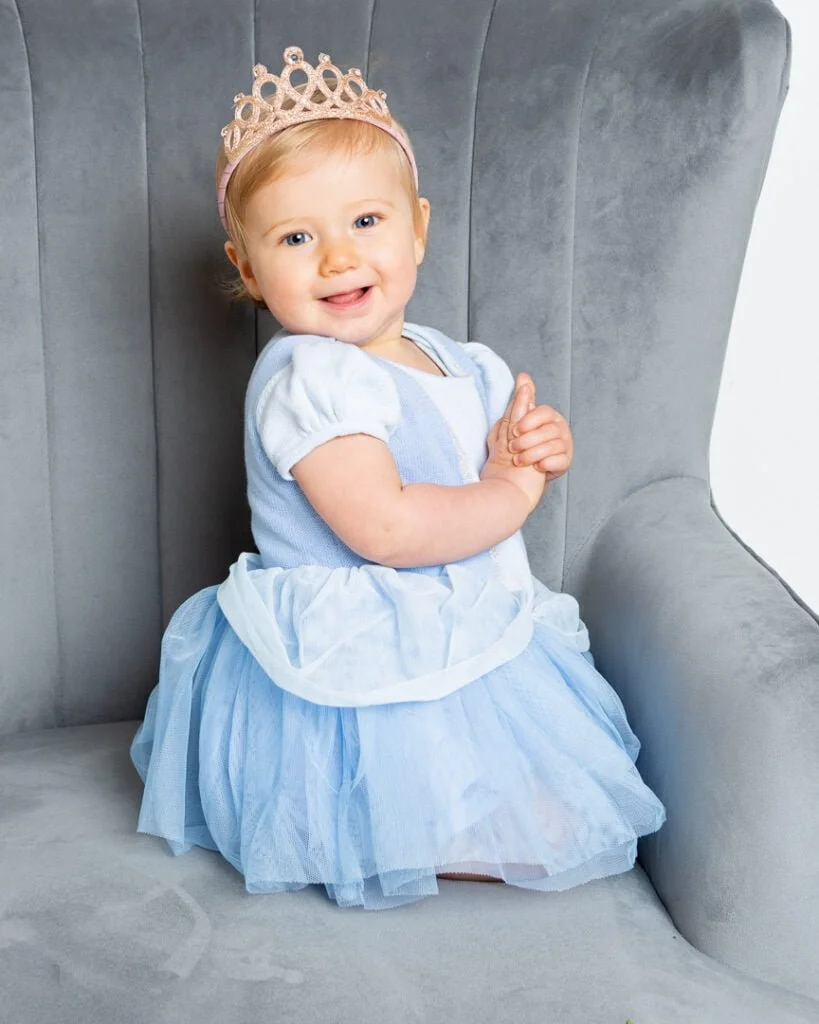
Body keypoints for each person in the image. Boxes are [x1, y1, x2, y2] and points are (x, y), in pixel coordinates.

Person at [130, 46, 667, 910]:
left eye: (365, 223)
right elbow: (385, 529)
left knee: (552, 799)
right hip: (356, 649)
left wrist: (534, 446)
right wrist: (514, 494)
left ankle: (456, 811)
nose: (337, 258)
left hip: (465, 627)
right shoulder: (310, 377)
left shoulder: (461, 361)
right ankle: (393, 830)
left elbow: (483, 454)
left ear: (416, 226)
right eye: (297, 237)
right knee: (396, 770)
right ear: (247, 267)